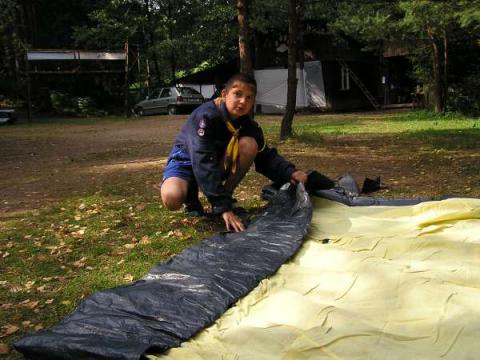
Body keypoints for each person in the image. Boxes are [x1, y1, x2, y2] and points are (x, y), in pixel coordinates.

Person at [160, 73, 308, 232]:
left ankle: (227, 196)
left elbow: (265, 156)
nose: (243, 101)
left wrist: (290, 173)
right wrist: (222, 208)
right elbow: (202, 162)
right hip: (186, 162)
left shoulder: (247, 124)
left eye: (249, 97)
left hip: (214, 162)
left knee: (250, 144)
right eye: (237, 94)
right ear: (224, 94)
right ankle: (191, 199)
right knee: (172, 197)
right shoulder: (204, 118)